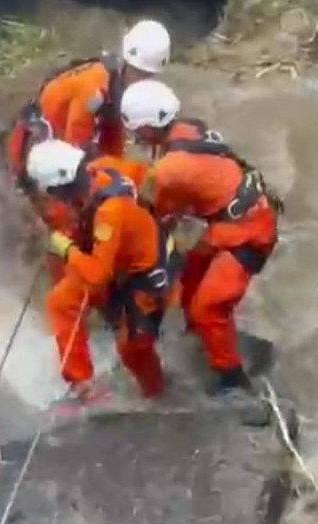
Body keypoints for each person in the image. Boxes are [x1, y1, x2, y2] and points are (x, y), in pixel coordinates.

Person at [120, 80, 283, 393]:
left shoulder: (167, 171)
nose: (135, 138)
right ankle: (202, 334)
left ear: (147, 128)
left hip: (250, 230)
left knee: (208, 307)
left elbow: (154, 216)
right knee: (193, 269)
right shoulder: (190, 129)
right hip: (237, 216)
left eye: (137, 132)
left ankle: (233, 380)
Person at [26, 139, 176, 401]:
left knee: (132, 349)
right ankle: (82, 386)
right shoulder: (99, 173)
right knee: (62, 302)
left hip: (144, 274)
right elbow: (145, 175)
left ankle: (158, 393)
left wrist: (67, 249)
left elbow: (97, 275)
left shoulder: (109, 211)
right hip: (114, 261)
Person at [7, 19, 171, 191]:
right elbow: (74, 147)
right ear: (126, 64)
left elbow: (113, 137)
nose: (142, 82)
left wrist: (117, 173)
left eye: (148, 76)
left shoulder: (117, 86)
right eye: (139, 73)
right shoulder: (94, 89)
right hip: (45, 134)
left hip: (68, 131)